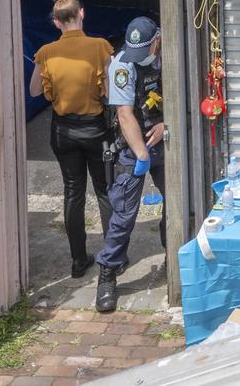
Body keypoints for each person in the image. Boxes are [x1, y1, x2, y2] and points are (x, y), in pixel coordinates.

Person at [29, 0, 113, 278]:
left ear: (56, 23)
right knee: (104, 191)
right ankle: (112, 257)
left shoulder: (46, 52)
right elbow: (112, 90)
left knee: (73, 193)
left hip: (63, 131)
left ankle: (78, 260)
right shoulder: (100, 46)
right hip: (96, 129)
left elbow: (35, 90)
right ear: (82, 14)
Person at [95, 16, 165, 313]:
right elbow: (124, 114)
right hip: (132, 147)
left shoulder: (168, 52)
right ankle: (108, 273)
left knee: (178, 204)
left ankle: (174, 259)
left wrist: (166, 124)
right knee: (123, 213)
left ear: (156, 40)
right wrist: (142, 154)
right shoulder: (122, 65)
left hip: (164, 139)